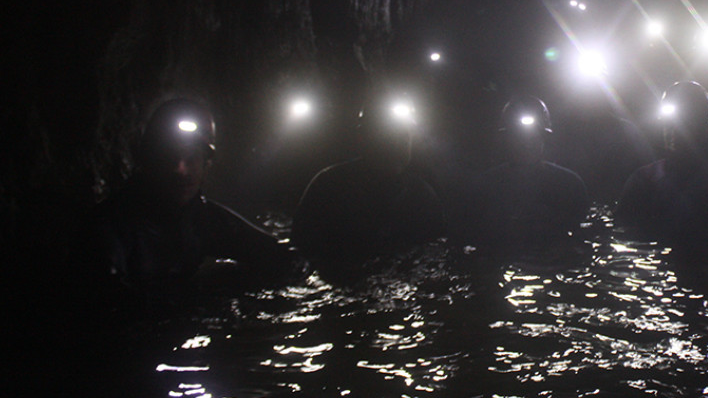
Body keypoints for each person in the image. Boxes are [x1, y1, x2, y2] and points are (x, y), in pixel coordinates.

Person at [74, 98, 292, 292]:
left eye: (192, 159)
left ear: (207, 164)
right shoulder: (111, 228)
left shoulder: (202, 219)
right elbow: (104, 302)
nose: (180, 169)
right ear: (147, 161)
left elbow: (285, 259)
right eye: (169, 157)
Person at [291, 94, 442, 276]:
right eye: (386, 137)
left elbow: (434, 251)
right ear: (365, 139)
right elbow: (301, 251)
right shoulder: (330, 185)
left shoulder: (420, 194)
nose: (396, 145)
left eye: (403, 138)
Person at [615, 81, 708, 260]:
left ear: (707, 127)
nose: (673, 131)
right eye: (669, 123)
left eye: (685, 123)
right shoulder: (643, 181)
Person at [466, 95, 590, 255]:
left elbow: (583, 239)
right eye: (518, 136)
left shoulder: (569, 185)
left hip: (552, 267)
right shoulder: (485, 188)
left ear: (545, 139)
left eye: (532, 136)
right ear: (507, 139)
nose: (526, 143)